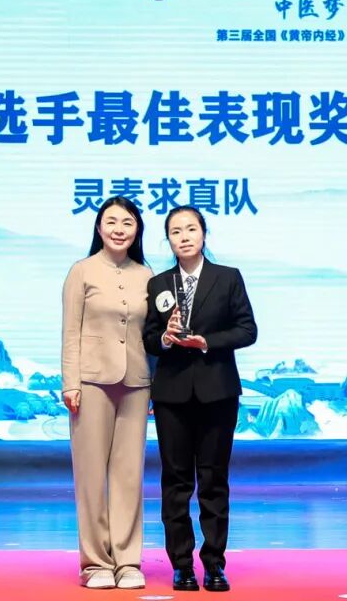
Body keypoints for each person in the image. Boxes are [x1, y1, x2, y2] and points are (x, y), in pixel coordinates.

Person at [143, 206, 257, 593]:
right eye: (176, 231)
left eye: (191, 229)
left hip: (217, 393)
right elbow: (148, 338)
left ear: (204, 234)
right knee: (176, 482)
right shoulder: (159, 284)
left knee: (213, 481)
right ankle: (181, 565)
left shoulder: (228, 278)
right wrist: (164, 338)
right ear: (168, 240)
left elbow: (247, 330)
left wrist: (207, 341)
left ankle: (214, 564)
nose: (184, 237)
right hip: (172, 394)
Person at [61, 196, 153, 589]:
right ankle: (95, 563)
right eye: (111, 221)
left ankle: (128, 561)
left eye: (127, 222)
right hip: (91, 382)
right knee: (90, 474)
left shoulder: (146, 274)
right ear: (99, 227)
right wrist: (70, 382)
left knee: (129, 475)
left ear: (137, 230)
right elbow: (70, 331)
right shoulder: (82, 271)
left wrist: (156, 386)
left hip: (136, 382)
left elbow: (153, 335)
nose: (119, 229)